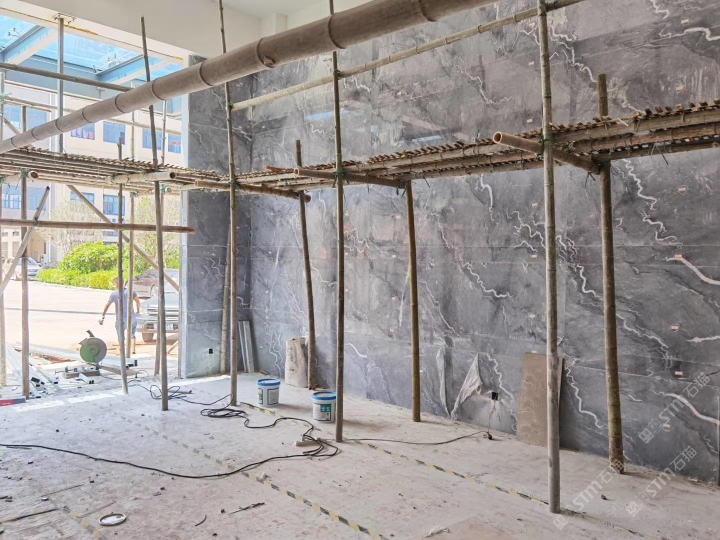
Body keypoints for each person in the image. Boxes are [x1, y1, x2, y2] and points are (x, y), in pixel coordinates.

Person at [101, 277, 141, 354]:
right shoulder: (131, 291)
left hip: (120, 319)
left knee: (120, 335)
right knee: (132, 334)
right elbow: (138, 302)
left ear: (117, 284)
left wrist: (103, 315)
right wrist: (138, 311)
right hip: (131, 317)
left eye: (114, 284)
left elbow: (107, 305)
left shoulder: (114, 294)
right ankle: (133, 350)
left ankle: (122, 350)